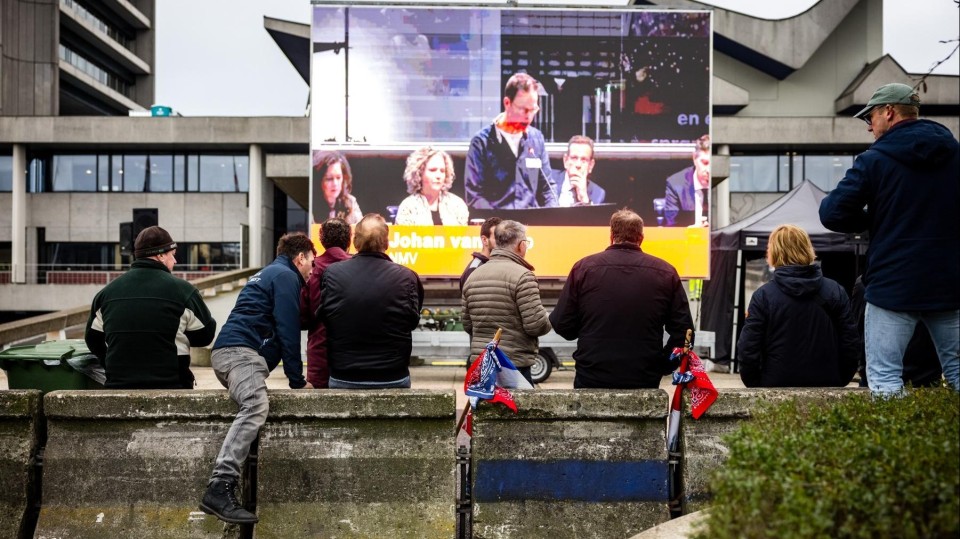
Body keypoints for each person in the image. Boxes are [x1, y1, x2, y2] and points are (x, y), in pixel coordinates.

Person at [819, 82, 960, 394]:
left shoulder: (875, 160)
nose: (870, 128)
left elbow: (832, 213)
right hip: (949, 281)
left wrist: (875, 219)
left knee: (885, 379)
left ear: (889, 112)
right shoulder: (954, 155)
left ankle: (889, 443)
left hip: (893, 284)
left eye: (870, 119)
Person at [200, 233, 316, 524]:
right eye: (311, 263)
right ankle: (219, 486)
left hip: (231, 352)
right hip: (240, 354)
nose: (312, 270)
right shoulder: (286, 277)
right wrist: (297, 380)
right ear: (300, 258)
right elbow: (288, 330)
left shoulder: (267, 274)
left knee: (253, 404)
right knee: (255, 404)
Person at [549, 209, 692, 388]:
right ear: (641, 238)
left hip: (592, 373)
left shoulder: (584, 269)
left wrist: (590, 334)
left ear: (611, 236)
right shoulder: (666, 272)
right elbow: (685, 332)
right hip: (644, 376)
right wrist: (663, 364)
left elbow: (562, 323)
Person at [84, 226, 216, 389]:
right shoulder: (184, 292)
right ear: (160, 255)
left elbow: (92, 338)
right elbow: (206, 335)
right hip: (173, 387)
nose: (175, 261)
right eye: (172, 255)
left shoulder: (106, 294)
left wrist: (109, 364)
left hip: (118, 387)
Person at [736, 225, 859, 388]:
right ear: (807, 248)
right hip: (827, 385)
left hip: (775, 387)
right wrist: (840, 379)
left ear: (775, 252)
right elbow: (850, 343)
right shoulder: (834, 291)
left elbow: (748, 349)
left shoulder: (763, 296)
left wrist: (757, 384)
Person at [318, 214, 424, 389]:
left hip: (344, 375)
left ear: (355, 242)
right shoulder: (407, 277)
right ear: (386, 243)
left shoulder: (332, 274)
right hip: (393, 375)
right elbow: (412, 321)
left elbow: (325, 317)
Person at [461, 220, 551, 385]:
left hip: (483, 364)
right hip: (514, 367)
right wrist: (548, 318)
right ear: (521, 245)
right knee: (516, 410)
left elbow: (468, 325)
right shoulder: (523, 276)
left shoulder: (473, 275)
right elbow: (535, 326)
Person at [464, 73, 559, 210]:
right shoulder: (481, 143)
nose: (529, 117)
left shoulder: (536, 138)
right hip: (498, 225)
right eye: (523, 110)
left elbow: (547, 189)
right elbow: (475, 197)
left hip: (533, 224)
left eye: (533, 110)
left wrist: (553, 215)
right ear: (507, 103)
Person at [850, 276, 942, 388]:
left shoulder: (868, 282)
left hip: (879, 374)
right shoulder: (940, 281)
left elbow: (856, 333)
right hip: (925, 375)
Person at [299, 218, 352, 388]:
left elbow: (302, 317)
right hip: (354, 355)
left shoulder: (312, 270)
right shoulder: (358, 268)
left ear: (321, 240)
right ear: (349, 240)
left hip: (320, 355)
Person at [395, 147, 470, 225]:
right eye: (433, 170)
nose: (438, 175)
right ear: (419, 173)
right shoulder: (408, 207)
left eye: (442, 171)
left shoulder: (457, 205)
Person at [663, 134, 710, 227]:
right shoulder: (675, 184)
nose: (709, 170)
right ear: (694, 158)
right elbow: (671, 227)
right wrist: (690, 232)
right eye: (705, 163)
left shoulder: (726, 184)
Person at [551, 135, 606, 206]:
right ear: (565, 161)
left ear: (591, 165)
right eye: (574, 158)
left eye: (584, 160)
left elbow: (593, 217)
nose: (578, 165)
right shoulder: (549, 179)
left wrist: (584, 199)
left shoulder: (598, 194)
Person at [314, 150, 362, 225]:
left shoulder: (350, 202)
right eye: (329, 179)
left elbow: (360, 231)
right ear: (319, 180)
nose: (335, 184)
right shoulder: (312, 204)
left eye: (338, 177)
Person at [459, 216, 501, 293]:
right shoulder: (473, 269)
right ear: (484, 240)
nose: (502, 241)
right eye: (497, 238)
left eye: (502, 237)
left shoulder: (500, 265)